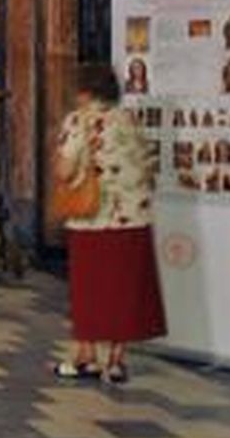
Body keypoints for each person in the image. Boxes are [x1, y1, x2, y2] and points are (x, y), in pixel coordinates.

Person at [53, 64, 164, 383]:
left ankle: (85, 356)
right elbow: (149, 166)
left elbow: (64, 170)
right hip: (133, 217)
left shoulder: (79, 121)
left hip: (92, 219)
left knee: (90, 291)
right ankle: (115, 362)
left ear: (85, 90)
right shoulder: (130, 120)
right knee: (121, 291)